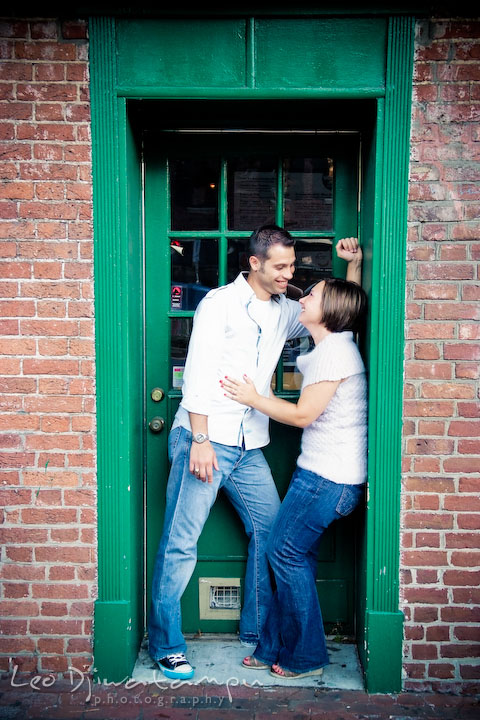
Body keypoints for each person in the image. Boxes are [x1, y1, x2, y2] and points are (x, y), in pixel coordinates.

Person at [148, 223, 362, 680]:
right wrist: (200, 440)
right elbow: (198, 374)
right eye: (281, 267)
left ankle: (258, 636)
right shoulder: (219, 304)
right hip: (205, 439)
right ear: (255, 264)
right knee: (180, 544)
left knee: (273, 534)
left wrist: (352, 269)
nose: (290, 275)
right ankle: (167, 644)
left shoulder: (287, 310)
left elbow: (338, 317)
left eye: (291, 266)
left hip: (251, 446)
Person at [221, 272, 367, 680]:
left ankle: (304, 656)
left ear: (330, 311)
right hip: (323, 476)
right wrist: (351, 268)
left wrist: (254, 399)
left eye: (313, 295)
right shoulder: (336, 343)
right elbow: (347, 307)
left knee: (284, 554)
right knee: (291, 557)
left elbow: (304, 415)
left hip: (327, 480)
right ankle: (272, 647)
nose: (302, 299)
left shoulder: (334, 353)